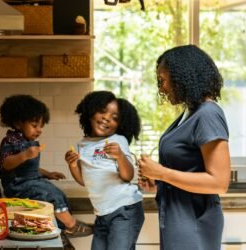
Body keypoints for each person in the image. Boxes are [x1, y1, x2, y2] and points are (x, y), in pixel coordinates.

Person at [137, 45, 231, 250]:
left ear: (182, 77)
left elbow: (219, 182)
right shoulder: (190, 112)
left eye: (162, 80)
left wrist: (162, 173)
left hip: (194, 221)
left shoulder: (207, 114)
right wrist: (157, 181)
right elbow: (187, 171)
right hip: (177, 218)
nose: (161, 87)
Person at [0, 94, 93, 240]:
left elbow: (27, 168)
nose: (39, 130)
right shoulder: (10, 141)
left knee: (58, 193)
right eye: (34, 125)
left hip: (30, 180)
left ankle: (61, 225)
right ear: (17, 123)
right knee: (51, 196)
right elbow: (5, 164)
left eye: (41, 126)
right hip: (17, 185)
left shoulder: (26, 140)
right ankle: (71, 226)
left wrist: (47, 173)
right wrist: (24, 155)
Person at [65, 91, 144, 250]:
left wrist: (120, 156)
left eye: (115, 117)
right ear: (90, 112)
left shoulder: (118, 141)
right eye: (102, 111)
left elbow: (128, 176)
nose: (107, 118)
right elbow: (83, 180)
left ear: (120, 124)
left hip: (124, 210)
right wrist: (72, 165)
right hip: (102, 214)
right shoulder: (83, 144)